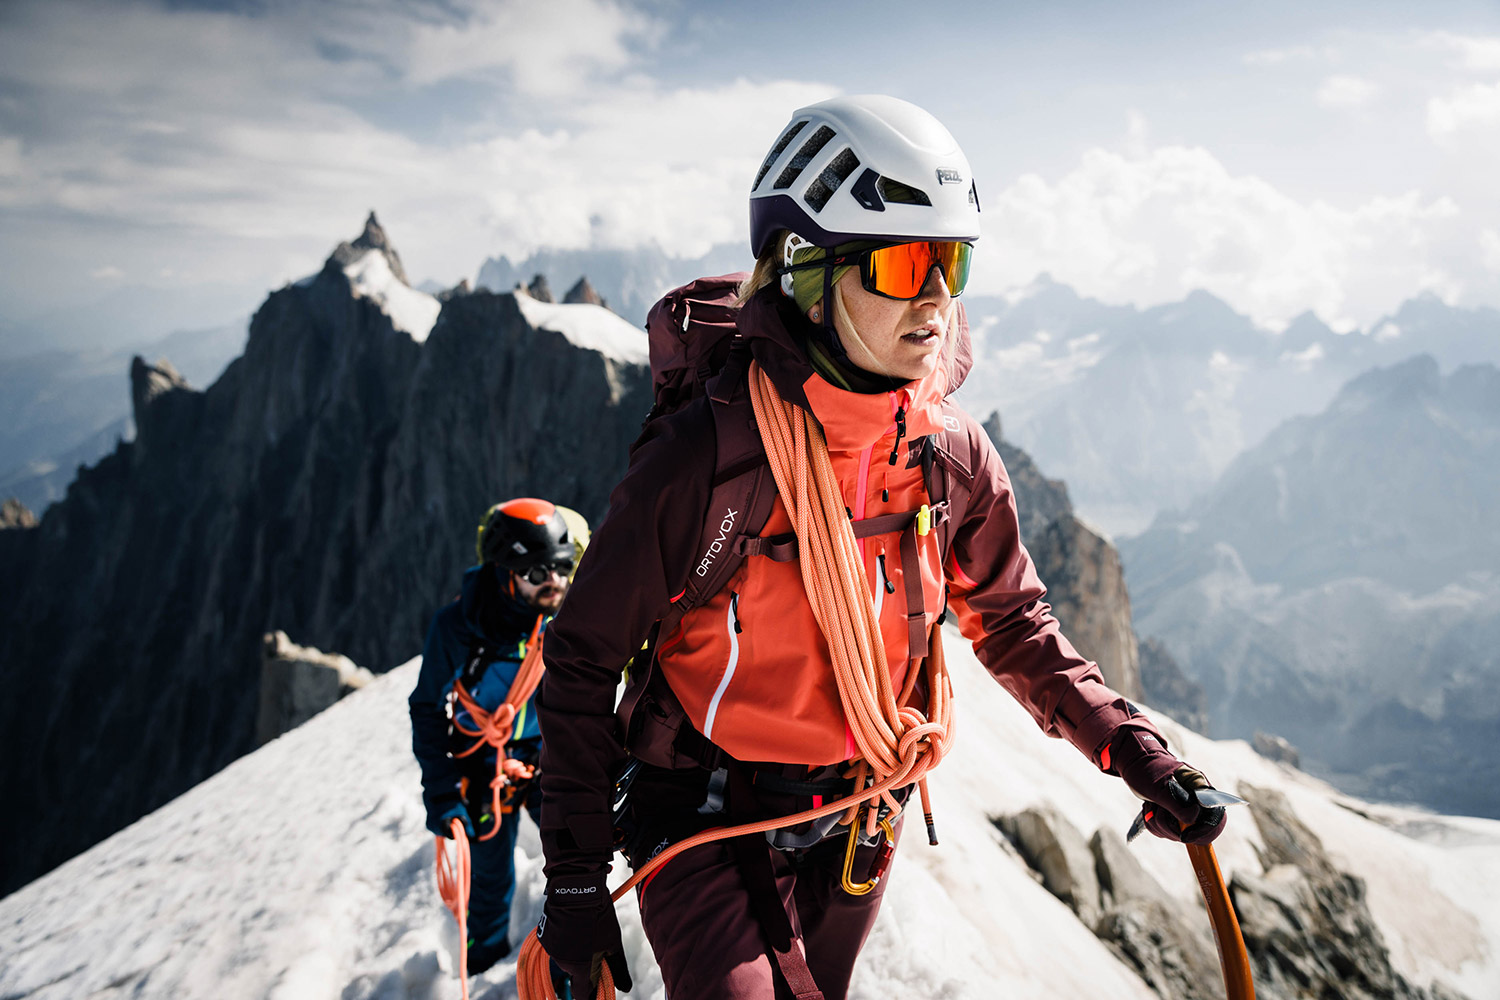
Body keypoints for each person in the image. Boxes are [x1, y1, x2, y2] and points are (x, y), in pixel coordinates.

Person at [534, 94, 1226, 999]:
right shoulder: (706, 457)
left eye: (954, 261)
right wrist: (577, 882)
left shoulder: (949, 454)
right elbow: (583, 659)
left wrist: (1132, 749)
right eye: (904, 264)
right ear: (805, 272)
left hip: (864, 809)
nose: (938, 301)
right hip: (701, 809)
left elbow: (1013, 623)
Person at [410, 497, 588, 974]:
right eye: (537, 574)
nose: (553, 583)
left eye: (562, 569)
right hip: (483, 763)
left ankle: (565, 973)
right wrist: (442, 793)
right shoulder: (457, 628)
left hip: (546, 751)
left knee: (575, 867)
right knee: (490, 880)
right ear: (506, 573)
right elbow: (427, 707)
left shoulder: (564, 620)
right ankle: (485, 968)